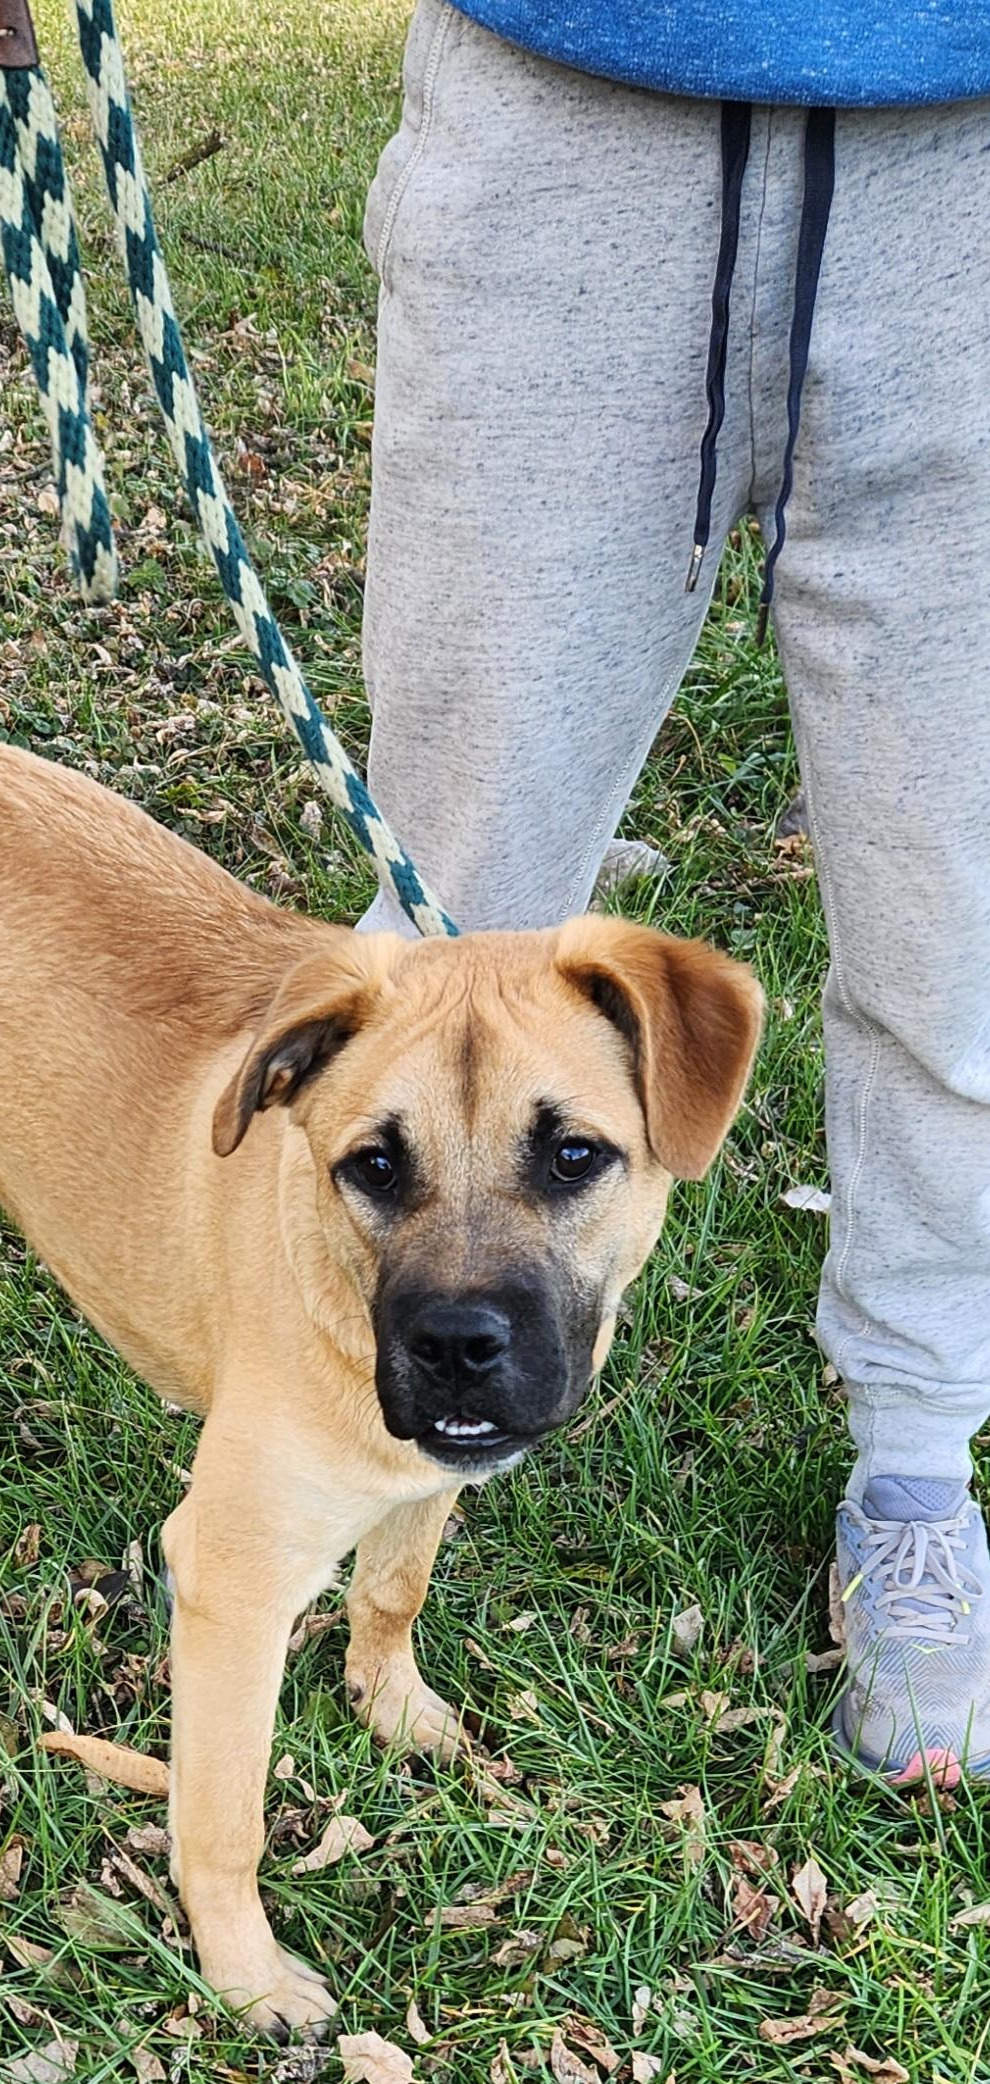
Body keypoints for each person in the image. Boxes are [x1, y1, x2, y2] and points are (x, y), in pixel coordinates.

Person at [356, 3, 990, 1783]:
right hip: (567, 105)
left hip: (968, 143)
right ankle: (361, 1413)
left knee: (961, 924)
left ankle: (917, 1472)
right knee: (445, 924)